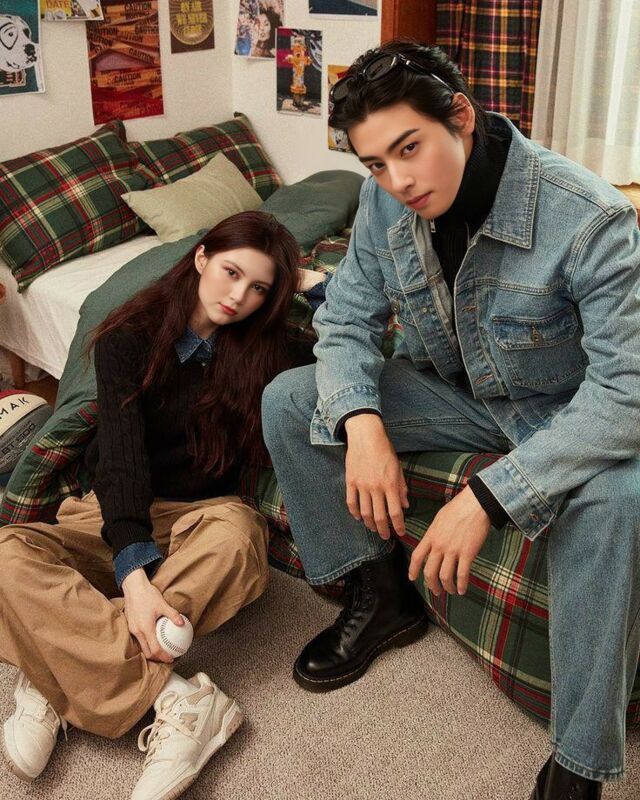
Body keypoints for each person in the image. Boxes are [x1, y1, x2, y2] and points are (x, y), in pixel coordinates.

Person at [261, 42, 640, 800]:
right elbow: (344, 320)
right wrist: (361, 421)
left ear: (460, 117)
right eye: (375, 164)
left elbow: (627, 392)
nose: (397, 182)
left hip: (565, 416)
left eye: (409, 149)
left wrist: (488, 497)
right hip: (462, 395)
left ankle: (579, 762)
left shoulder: (591, 217)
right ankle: (381, 596)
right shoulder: (382, 204)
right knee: (291, 399)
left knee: (619, 501)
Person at [0, 211, 324, 799]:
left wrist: (313, 283)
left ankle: (57, 668)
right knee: (4, 555)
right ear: (201, 257)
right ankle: (181, 700)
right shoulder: (127, 337)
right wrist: (134, 577)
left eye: (259, 287)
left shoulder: (266, 347)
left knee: (239, 542)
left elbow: (347, 344)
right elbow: (121, 460)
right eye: (230, 272)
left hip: (202, 517)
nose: (238, 297)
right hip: (111, 507)